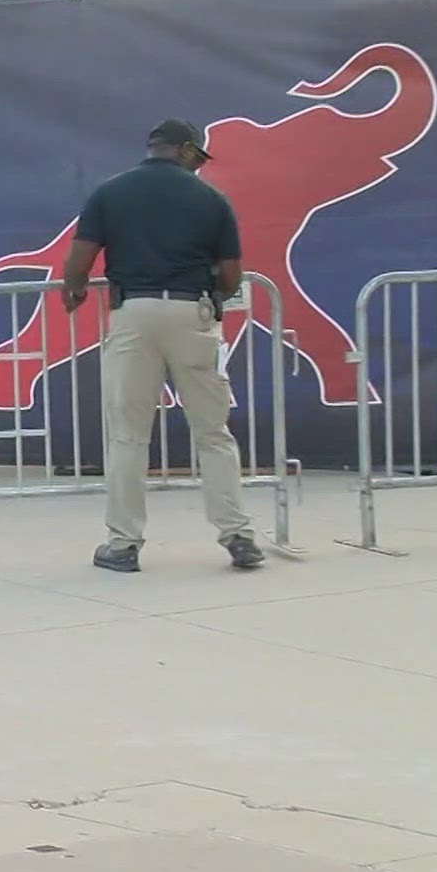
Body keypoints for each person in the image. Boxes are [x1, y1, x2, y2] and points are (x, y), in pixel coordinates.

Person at [60, 119, 265, 573]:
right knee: (213, 431)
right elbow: (231, 274)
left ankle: (123, 544)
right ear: (188, 152)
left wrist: (74, 290)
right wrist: (213, 297)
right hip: (191, 313)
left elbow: (78, 262)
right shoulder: (210, 199)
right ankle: (238, 536)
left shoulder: (110, 193)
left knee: (128, 434)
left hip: (133, 313)